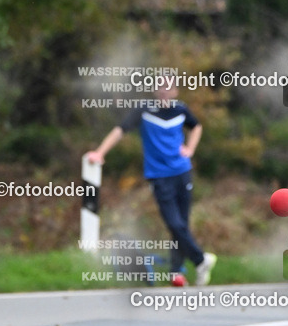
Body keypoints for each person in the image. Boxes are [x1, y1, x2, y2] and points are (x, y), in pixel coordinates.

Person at [87, 80, 217, 286]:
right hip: (159, 175)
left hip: (182, 173)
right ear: (155, 90)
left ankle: (176, 272)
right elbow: (119, 130)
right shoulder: (144, 110)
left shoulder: (181, 109)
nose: (164, 91)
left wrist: (190, 149)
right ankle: (201, 260)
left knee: (181, 224)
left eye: (168, 87)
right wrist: (100, 152)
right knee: (173, 223)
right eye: (160, 86)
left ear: (175, 91)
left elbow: (197, 127)